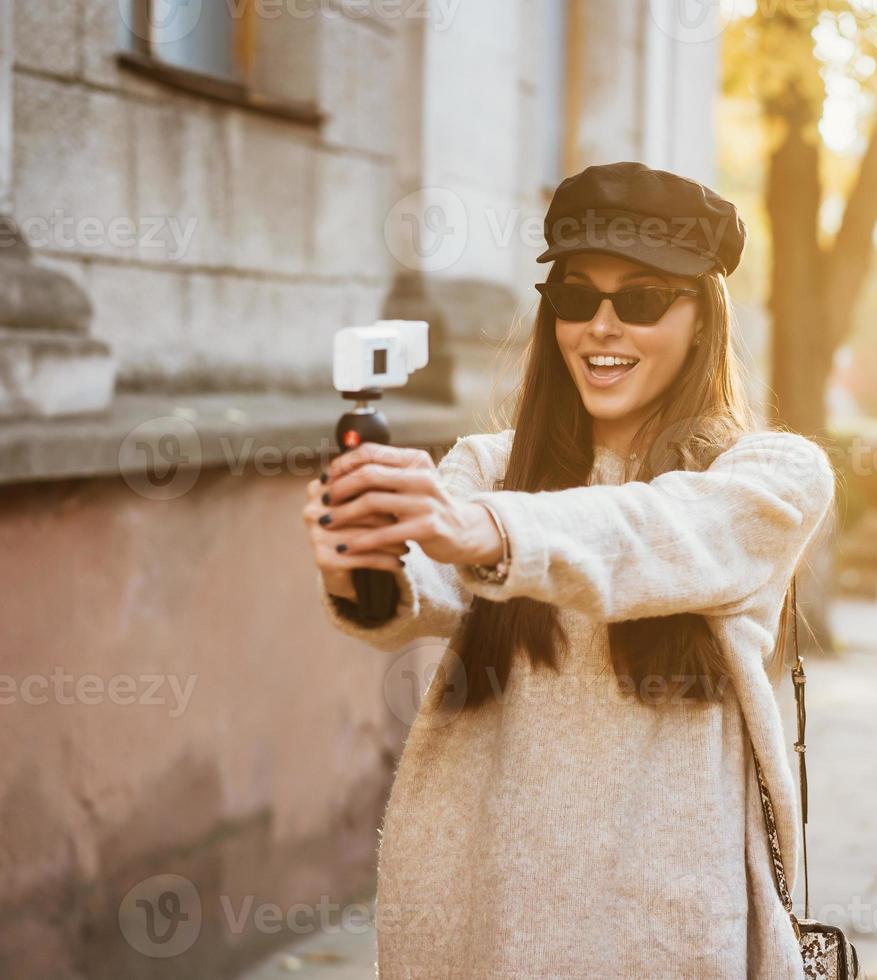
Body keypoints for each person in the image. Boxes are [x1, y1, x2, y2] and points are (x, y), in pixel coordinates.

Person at [301, 161, 835, 977]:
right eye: (577, 297)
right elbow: (416, 595)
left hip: (665, 924)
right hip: (486, 905)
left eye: (643, 299)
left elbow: (660, 531)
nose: (602, 326)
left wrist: (482, 530)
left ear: (702, 319)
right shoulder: (486, 468)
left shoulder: (770, 474)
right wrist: (361, 560)